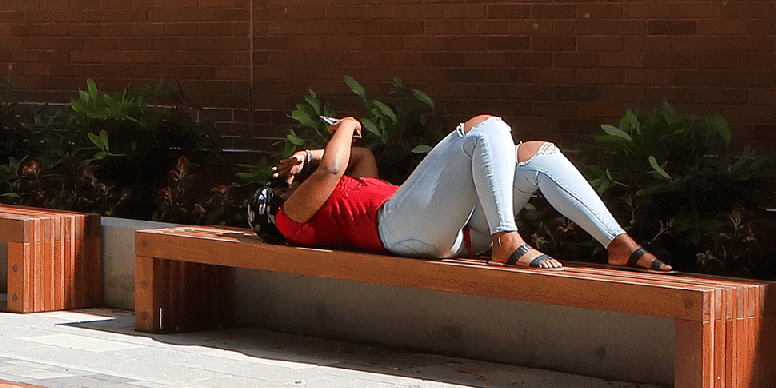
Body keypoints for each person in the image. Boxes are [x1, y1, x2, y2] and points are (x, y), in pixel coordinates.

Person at [268, 110, 675, 272]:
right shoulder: (291, 218)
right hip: (396, 231)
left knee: (533, 155)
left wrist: (306, 154)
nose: (289, 178)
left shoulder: (348, 184)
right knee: (487, 127)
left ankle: (618, 243)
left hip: (454, 234)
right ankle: (507, 237)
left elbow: (359, 157)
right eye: (282, 182)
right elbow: (335, 166)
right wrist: (345, 124)